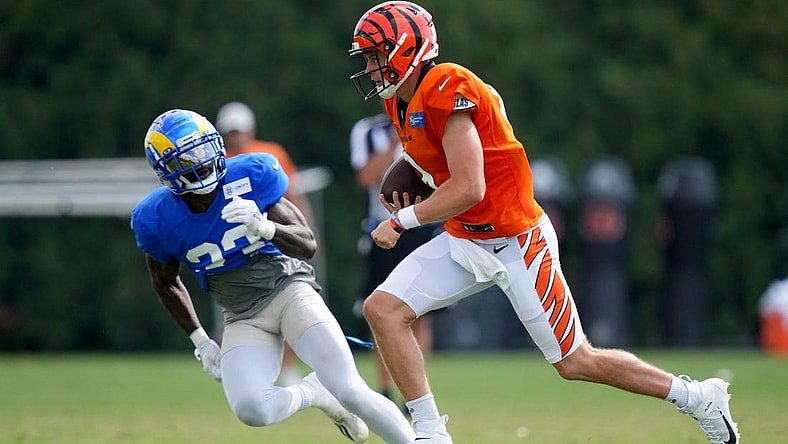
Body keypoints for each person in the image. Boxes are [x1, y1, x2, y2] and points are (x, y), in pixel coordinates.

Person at [347, 2, 740, 444]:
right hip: (466, 240)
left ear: (407, 49)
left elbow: (470, 187)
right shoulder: (402, 101)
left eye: (377, 55)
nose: (371, 66)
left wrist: (401, 219)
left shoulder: (445, 84)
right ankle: (430, 433)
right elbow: (444, 164)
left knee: (575, 362)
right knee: (382, 309)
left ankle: (697, 397)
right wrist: (412, 166)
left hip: (518, 242)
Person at [130, 108, 416, 444]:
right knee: (252, 409)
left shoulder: (250, 175)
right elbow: (164, 279)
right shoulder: (158, 218)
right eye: (187, 158)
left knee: (350, 388)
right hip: (241, 315)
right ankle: (315, 393)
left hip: (289, 291)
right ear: (167, 169)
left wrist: (266, 227)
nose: (202, 162)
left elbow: (307, 243)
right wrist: (201, 341)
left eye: (204, 149)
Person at [215, 100, 312, 386]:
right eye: (231, 132)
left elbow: (292, 194)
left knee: (292, 305)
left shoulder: (271, 153)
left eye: (239, 130)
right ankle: (248, 368)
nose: (236, 137)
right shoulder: (218, 163)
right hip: (237, 249)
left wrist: (304, 231)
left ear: (251, 129)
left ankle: (289, 367)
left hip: (274, 238)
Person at [349, 112, 439, 404]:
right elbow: (365, 177)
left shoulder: (429, 119)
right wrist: (395, 143)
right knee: (382, 308)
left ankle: (415, 394)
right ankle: (386, 390)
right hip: (385, 226)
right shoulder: (368, 129)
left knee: (421, 313)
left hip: (422, 225)